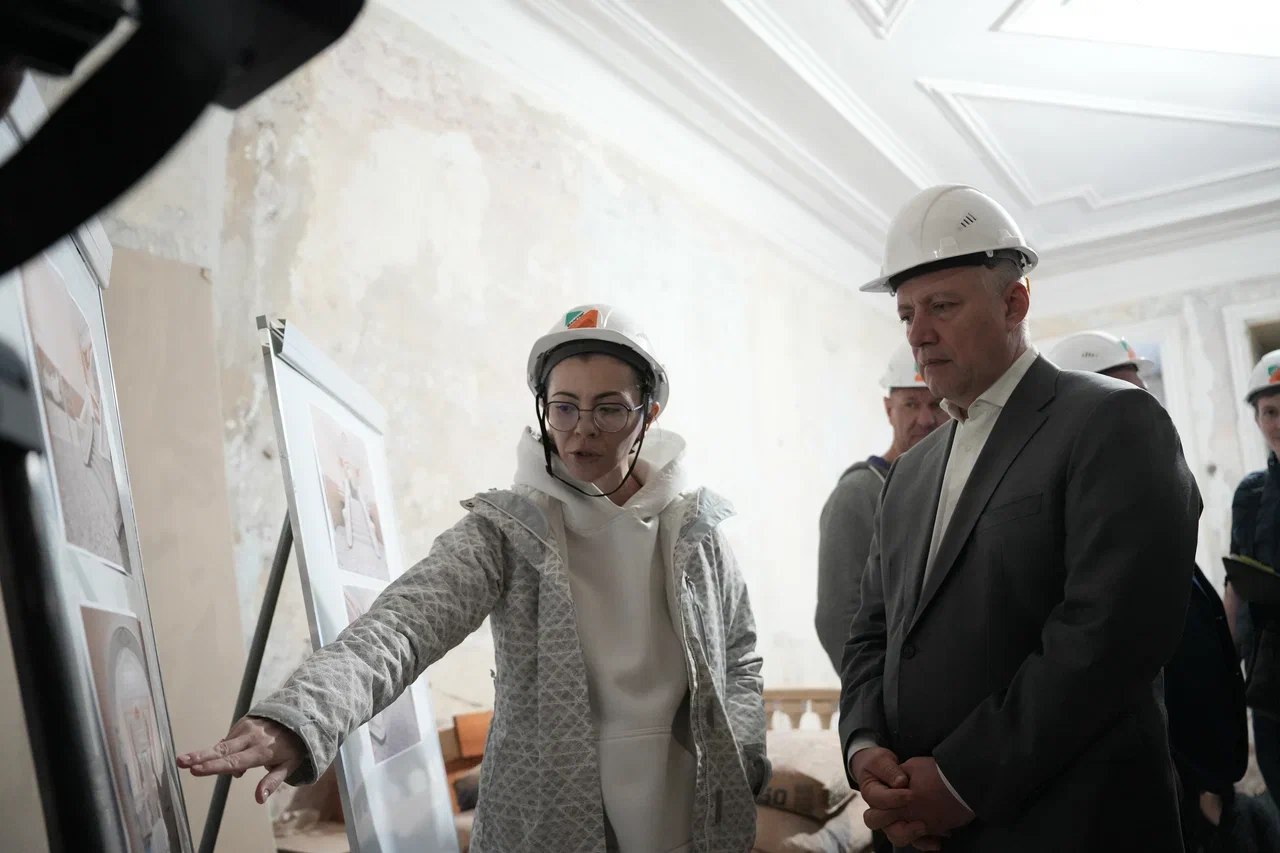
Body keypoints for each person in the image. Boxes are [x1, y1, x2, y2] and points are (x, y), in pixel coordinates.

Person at [178, 304, 770, 853]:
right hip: (552, 818)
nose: (583, 429)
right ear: (543, 408)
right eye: (564, 407)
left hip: (691, 816)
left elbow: (739, 655)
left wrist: (744, 755)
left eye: (609, 409)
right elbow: (403, 626)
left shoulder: (696, 533)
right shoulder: (509, 531)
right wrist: (303, 716)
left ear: (649, 413)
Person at [838, 184, 1201, 852]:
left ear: (1015, 302)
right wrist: (865, 749)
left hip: (1071, 826)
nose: (918, 333)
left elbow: (1109, 637)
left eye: (942, 306)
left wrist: (959, 781)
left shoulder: (1111, 421)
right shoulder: (910, 473)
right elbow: (871, 632)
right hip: (918, 827)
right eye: (907, 313)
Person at [1053, 329, 1248, 848]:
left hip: (1206, 771)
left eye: (1142, 396)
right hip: (1165, 783)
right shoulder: (1069, 518)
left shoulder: (1154, 486)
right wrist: (1192, 787)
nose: (1142, 414)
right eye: (1122, 398)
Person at [815, 345, 945, 673]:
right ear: (889, 409)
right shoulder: (859, 495)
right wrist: (873, 694)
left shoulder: (955, 488)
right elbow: (838, 616)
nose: (926, 419)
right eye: (911, 404)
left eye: (935, 404)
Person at [1229, 349, 1280, 812]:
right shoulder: (1251, 492)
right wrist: (1226, 659)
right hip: (1269, 671)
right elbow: (1236, 582)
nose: (1278, 422)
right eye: (1270, 412)